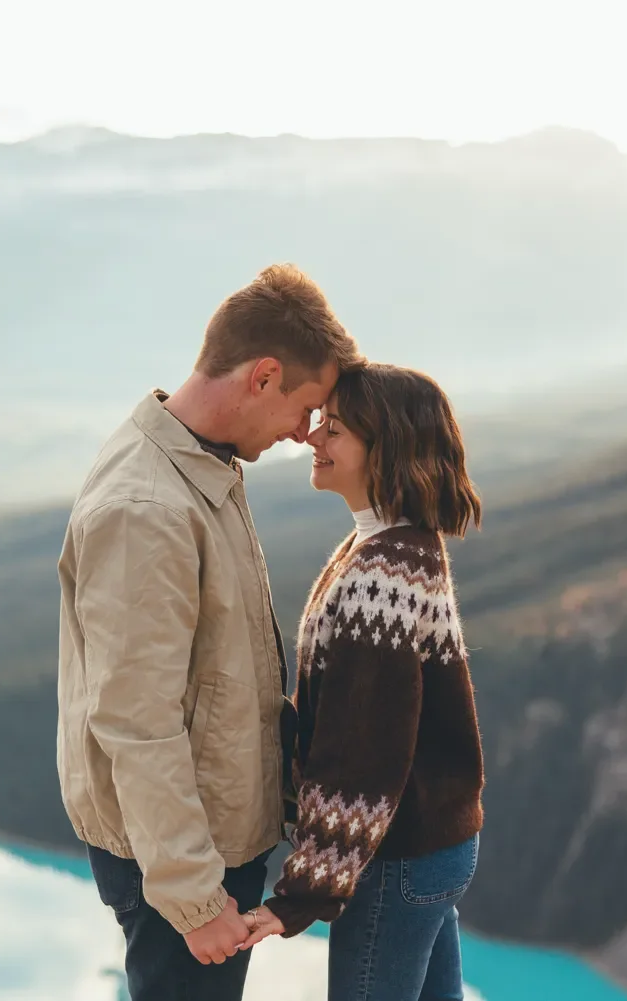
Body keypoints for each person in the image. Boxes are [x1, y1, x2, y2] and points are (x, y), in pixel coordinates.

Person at [56, 264, 363, 1000]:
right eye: (307, 407)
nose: (305, 433)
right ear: (264, 376)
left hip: (203, 841)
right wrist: (194, 897)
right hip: (183, 863)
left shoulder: (195, 462)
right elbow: (136, 720)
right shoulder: (148, 508)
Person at [241, 362, 486, 1001]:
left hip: (395, 857)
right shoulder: (396, 543)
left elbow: (365, 747)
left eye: (336, 430)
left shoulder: (380, 576)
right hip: (432, 843)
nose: (313, 439)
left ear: (387, 452)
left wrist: (300, 896)